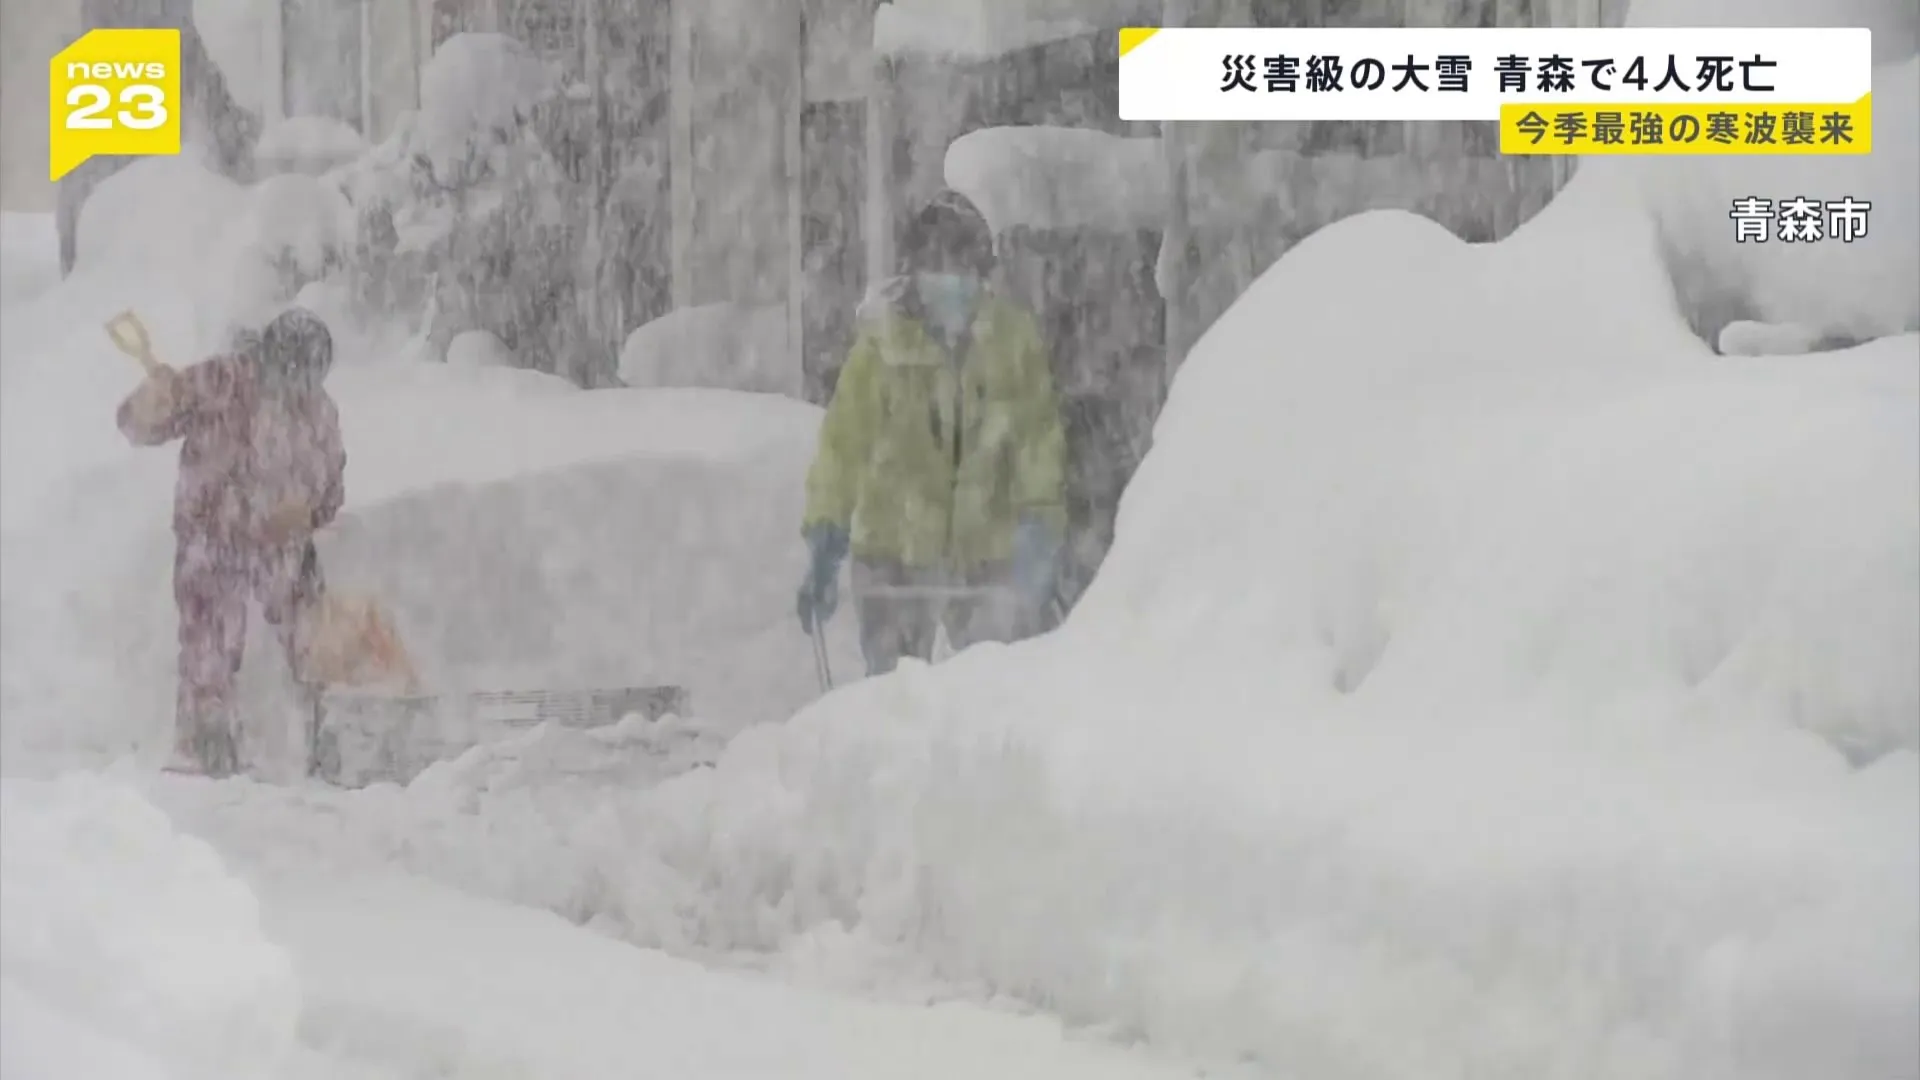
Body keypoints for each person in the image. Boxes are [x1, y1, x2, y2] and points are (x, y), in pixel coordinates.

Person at [795, 190, 1068, 677]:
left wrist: (1040, 523)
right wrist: (826, 532)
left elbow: (1037, 439)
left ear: (983, 273)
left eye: (963, 266)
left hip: (985, 560)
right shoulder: (883, 345)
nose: (951, 280)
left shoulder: (1012, 342)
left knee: (990, 697)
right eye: (937, 263)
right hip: (893, 560)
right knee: (894, 707)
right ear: (914, 270)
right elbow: (842, 445)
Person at [116, 308, 346, 776]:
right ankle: (206, 743)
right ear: (268, 359)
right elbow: (136, 424)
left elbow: (331, 485)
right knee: (209, 640)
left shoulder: (320, 410)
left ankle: (328, 737)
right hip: (212, 541)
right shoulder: (221, 380)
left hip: (282, 546)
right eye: (290, 373)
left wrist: (308, 511)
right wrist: (151, 402)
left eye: (309, 377)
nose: (297, 388)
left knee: (314, 636)